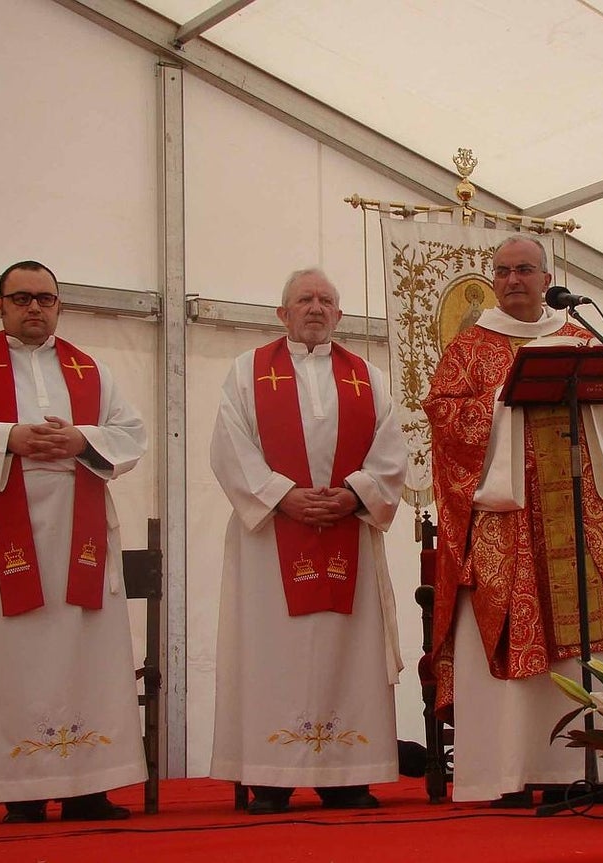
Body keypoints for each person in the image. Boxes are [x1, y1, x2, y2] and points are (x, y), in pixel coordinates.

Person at [0, 260, 147, 822]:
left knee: (84, 650)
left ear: (59, 305)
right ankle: (19, 788)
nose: (34, 308)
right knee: (8, 653)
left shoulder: (92, 372)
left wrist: (80, 438)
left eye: (44, 298)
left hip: (77, 526)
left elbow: (130, 435)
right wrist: (10, 437)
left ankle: (88, 787)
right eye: (21, 298)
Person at [423, 235, 603, 803]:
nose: (513, 279)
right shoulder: (470, 348)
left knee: (589, 626)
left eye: (524, 270)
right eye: (502, 271)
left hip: (581, 514)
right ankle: (511, 772)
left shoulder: (580, 338)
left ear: (548, 279)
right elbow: (445, 420)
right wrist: (500, 398)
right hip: (510, 521)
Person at [209, 268, 407, 814]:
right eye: (304, 300)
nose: (315, 308)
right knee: (271, 650)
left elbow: (391, 452)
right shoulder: (247, 372)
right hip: (270, 537)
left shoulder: (369, 376)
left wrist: (353, 495)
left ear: (339, 315)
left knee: (347, 649)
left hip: (349, 530)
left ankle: (347, 775)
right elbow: (230, 446)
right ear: (283, 313)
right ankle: (269, 776)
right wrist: (281, 497)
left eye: (326, 300)